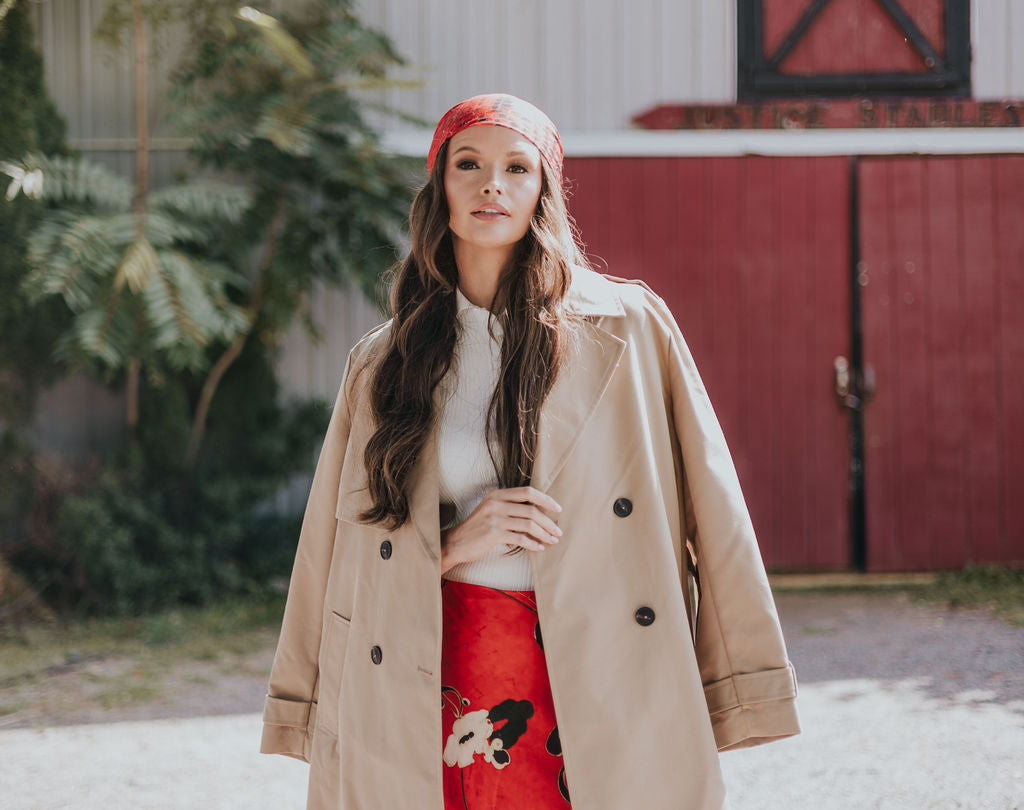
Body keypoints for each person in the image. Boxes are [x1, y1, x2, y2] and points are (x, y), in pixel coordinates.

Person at [260, 93, 801, 810]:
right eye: (470, 164)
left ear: (543, 191)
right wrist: (450, 544)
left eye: (518, 167)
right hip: (444, 660)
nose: (493, 184)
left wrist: (746, 683)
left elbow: (715, 508)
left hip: (602, 660)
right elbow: (334, 553)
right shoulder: (384, 361)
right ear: (439, 189)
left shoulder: (629, 326)